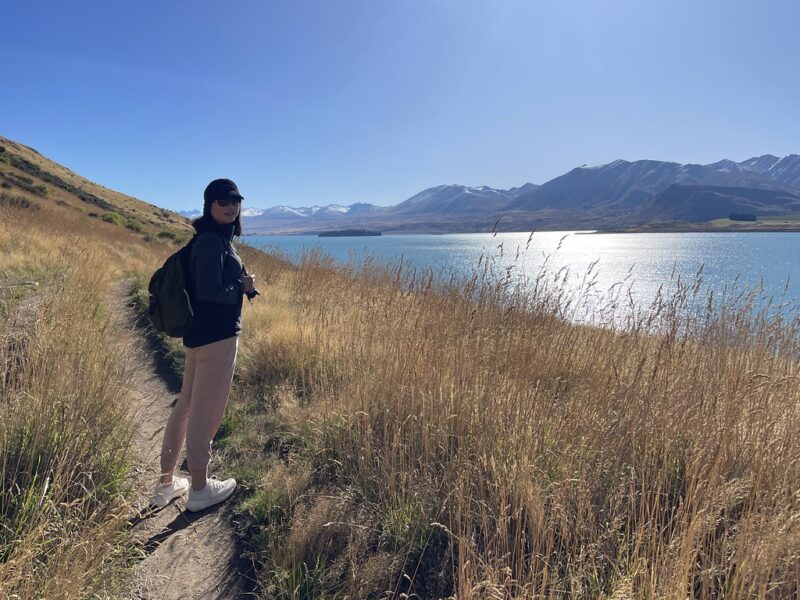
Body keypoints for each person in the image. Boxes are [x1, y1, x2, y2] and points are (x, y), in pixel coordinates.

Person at [149, 178, 257, 511]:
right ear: (209, 204)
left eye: (235, 200)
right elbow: (211, 292)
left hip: (200, 336)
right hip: (217, 338)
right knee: (205, 412)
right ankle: (199, 487)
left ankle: (166, 484)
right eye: (222, 200)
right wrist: (240, 286)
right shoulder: (212, 242)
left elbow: (208, 287)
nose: (230, 205)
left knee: (186, 406)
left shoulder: (210, 239)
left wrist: (239, 283)